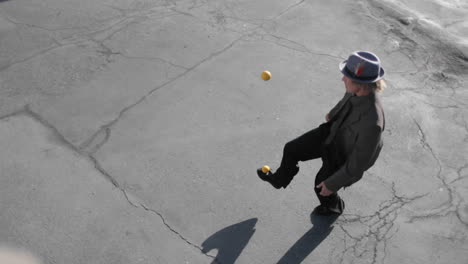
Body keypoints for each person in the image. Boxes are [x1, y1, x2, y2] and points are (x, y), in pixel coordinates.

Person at [257, 51, 386, 216]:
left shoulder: (372, 123)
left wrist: (333, 183)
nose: (342, 79)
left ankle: (334, 207)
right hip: (332, 132)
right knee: (291, 149)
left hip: (343, 153)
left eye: (346, 76)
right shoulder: (356, 89)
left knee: (322, 186)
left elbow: (358, 163)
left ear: (361, 83)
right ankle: (279, 180)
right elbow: (345, 100)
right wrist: (332, 114)